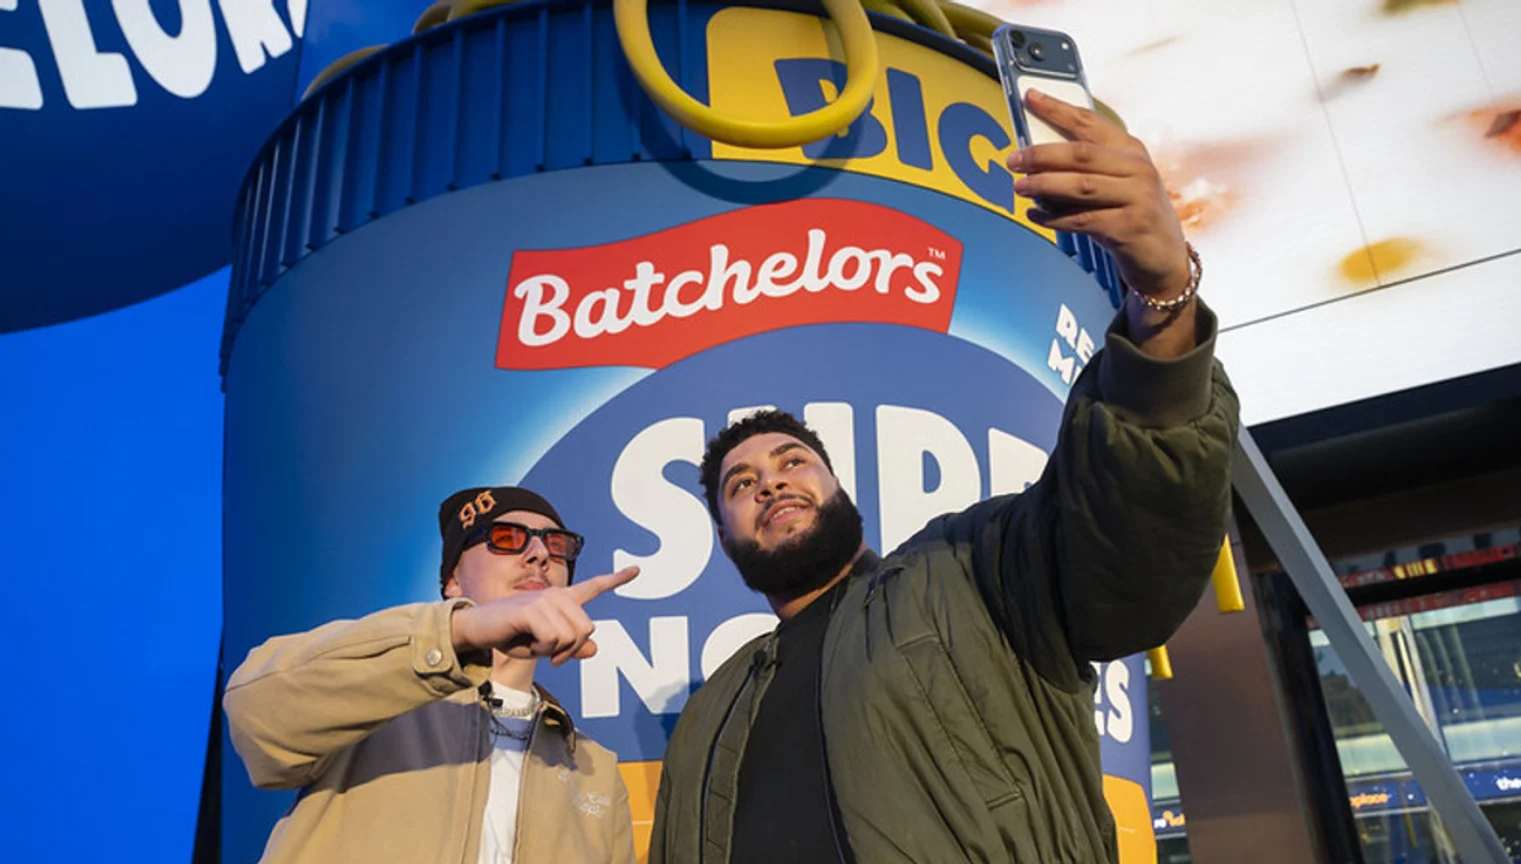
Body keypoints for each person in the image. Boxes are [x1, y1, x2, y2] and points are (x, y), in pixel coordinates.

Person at [647, 89, 1242, 864]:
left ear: (839, 490)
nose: (770, 482)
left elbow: (1128, 542)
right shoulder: (709, 716)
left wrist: (1162, 307)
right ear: (724, 538)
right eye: (740, 484)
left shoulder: (969, 568)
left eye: (793, 461)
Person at [225, 486, 641, 864]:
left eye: (556, 544)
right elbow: (255, 712)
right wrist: (463, 629)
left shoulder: (594, 769)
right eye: (506, 538)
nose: (539, 554)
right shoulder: (375, 700)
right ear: (453, 580)